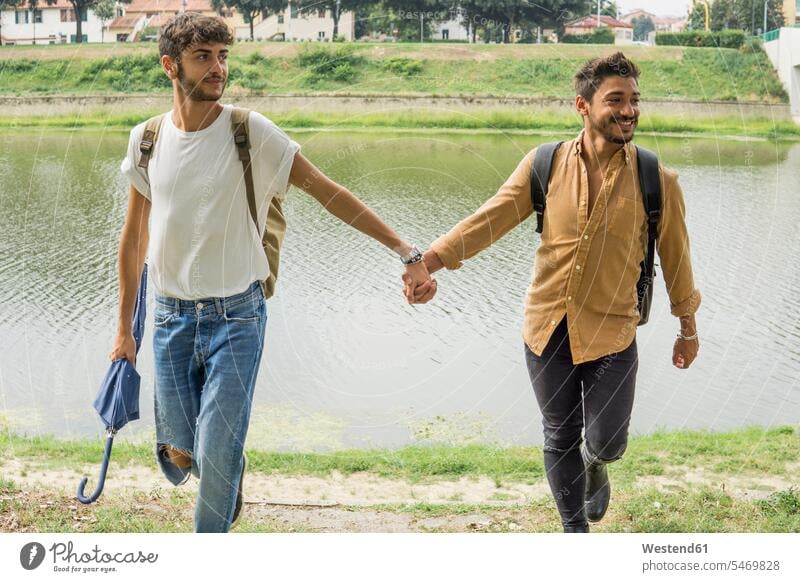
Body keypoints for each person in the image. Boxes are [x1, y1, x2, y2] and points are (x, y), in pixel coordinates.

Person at [111, 13, 435, 533]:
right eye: (204, 57)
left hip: (236, 320)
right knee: (178, 459)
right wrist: (124, 331)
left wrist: (404, 248)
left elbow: (328, 192)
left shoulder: (249, 132)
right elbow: (133, 241)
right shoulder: (146, 140)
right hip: (170, 320)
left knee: (215, 455)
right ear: (170, 65)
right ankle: (225, 470)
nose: (219, 68)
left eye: (223, 56)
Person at [405, 52, 701, 533]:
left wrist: (687, 328)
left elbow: (678, 259)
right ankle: (573, 532)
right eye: (616, 100)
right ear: (582, 106)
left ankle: (598, 461)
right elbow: (489, 220)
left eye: (634, 101)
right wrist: (429, 262)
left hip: (613, 334)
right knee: (558, 434)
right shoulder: (544, 164)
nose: (629, 111)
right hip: (547, 330)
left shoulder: (656, 180)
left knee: (607, 440)